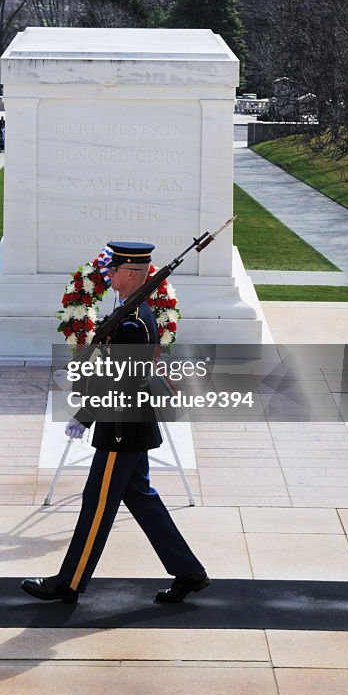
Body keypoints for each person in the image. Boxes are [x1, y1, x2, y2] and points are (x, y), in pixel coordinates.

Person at [21, 240, 210, 605]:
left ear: (130, 274)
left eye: (113, 270)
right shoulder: (129, 312)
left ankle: (69, 582)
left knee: (96, 506)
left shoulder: (132, 324)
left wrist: (85, 413)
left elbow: (123, 383)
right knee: (141, 499)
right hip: (131, 426)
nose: (107, 275)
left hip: (121, 429)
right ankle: (189, 572)